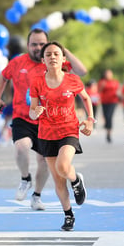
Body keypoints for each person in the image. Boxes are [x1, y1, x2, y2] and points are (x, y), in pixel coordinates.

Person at [0, 29, 86, 210]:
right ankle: (25, 178)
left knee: (43, 161)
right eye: (33, 44)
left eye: (41, 44)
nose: (38, 48)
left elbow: (81, 71)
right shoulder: (17, 62)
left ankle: (36, 195)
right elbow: (2, 78)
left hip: (48, 122)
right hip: (23, 116)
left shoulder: (53, 61)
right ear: (28, 46)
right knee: (21, 146)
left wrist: (62, 50)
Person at [29, 41, 94, 231]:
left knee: (63, 166)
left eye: (56, 54)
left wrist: (90, 119)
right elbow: (32, 109)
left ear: (63, 59)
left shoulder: (73, 80)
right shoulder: (37, 82)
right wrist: (35, 112)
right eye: (48, 55)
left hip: (68, 130)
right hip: (46, 133)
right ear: (43, 60)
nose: (52, 57)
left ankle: (76, 180)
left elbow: (86, 98)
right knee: (58, 180)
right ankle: (68, 215)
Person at [98, 69, 120, 143]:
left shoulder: (115, 82)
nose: (108, 75)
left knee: (109, 116)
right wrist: (102, 86)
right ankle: (107, 129)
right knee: (106, 116)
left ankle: (109, 133)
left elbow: (118, 91)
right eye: (107, 74)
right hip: (104, 102)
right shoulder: (101, 82)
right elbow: (99, 91)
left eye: (110, 74)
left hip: (113, 101)